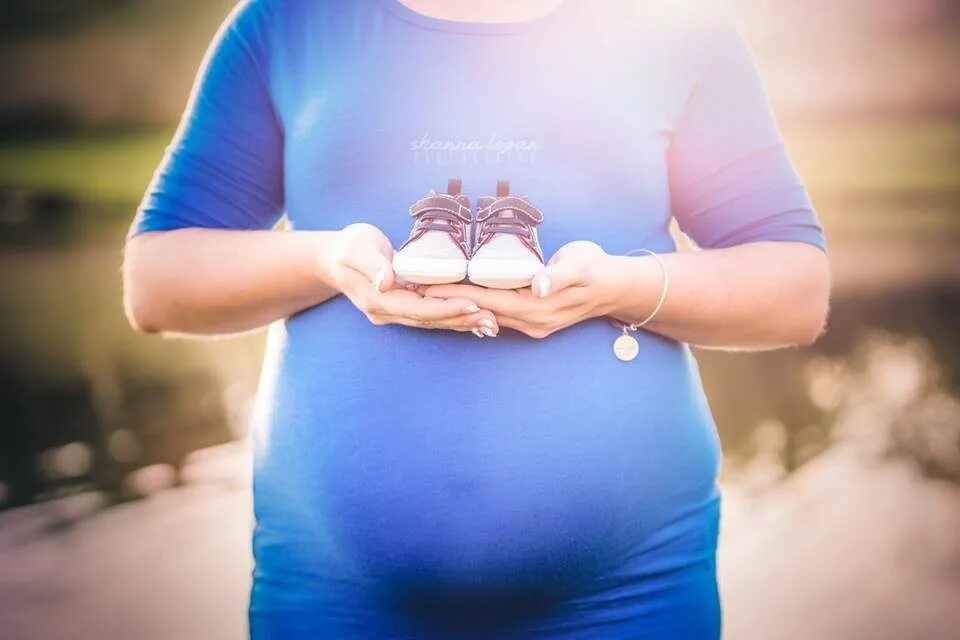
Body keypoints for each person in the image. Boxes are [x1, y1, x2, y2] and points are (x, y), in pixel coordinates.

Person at [122, 0, 831, 637]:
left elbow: (795, 291)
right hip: (332, 598)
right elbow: (156, 284)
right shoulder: (285, 23)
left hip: (630, 596)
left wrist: (619, 285)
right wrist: (324, 260)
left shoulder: (677, 29)